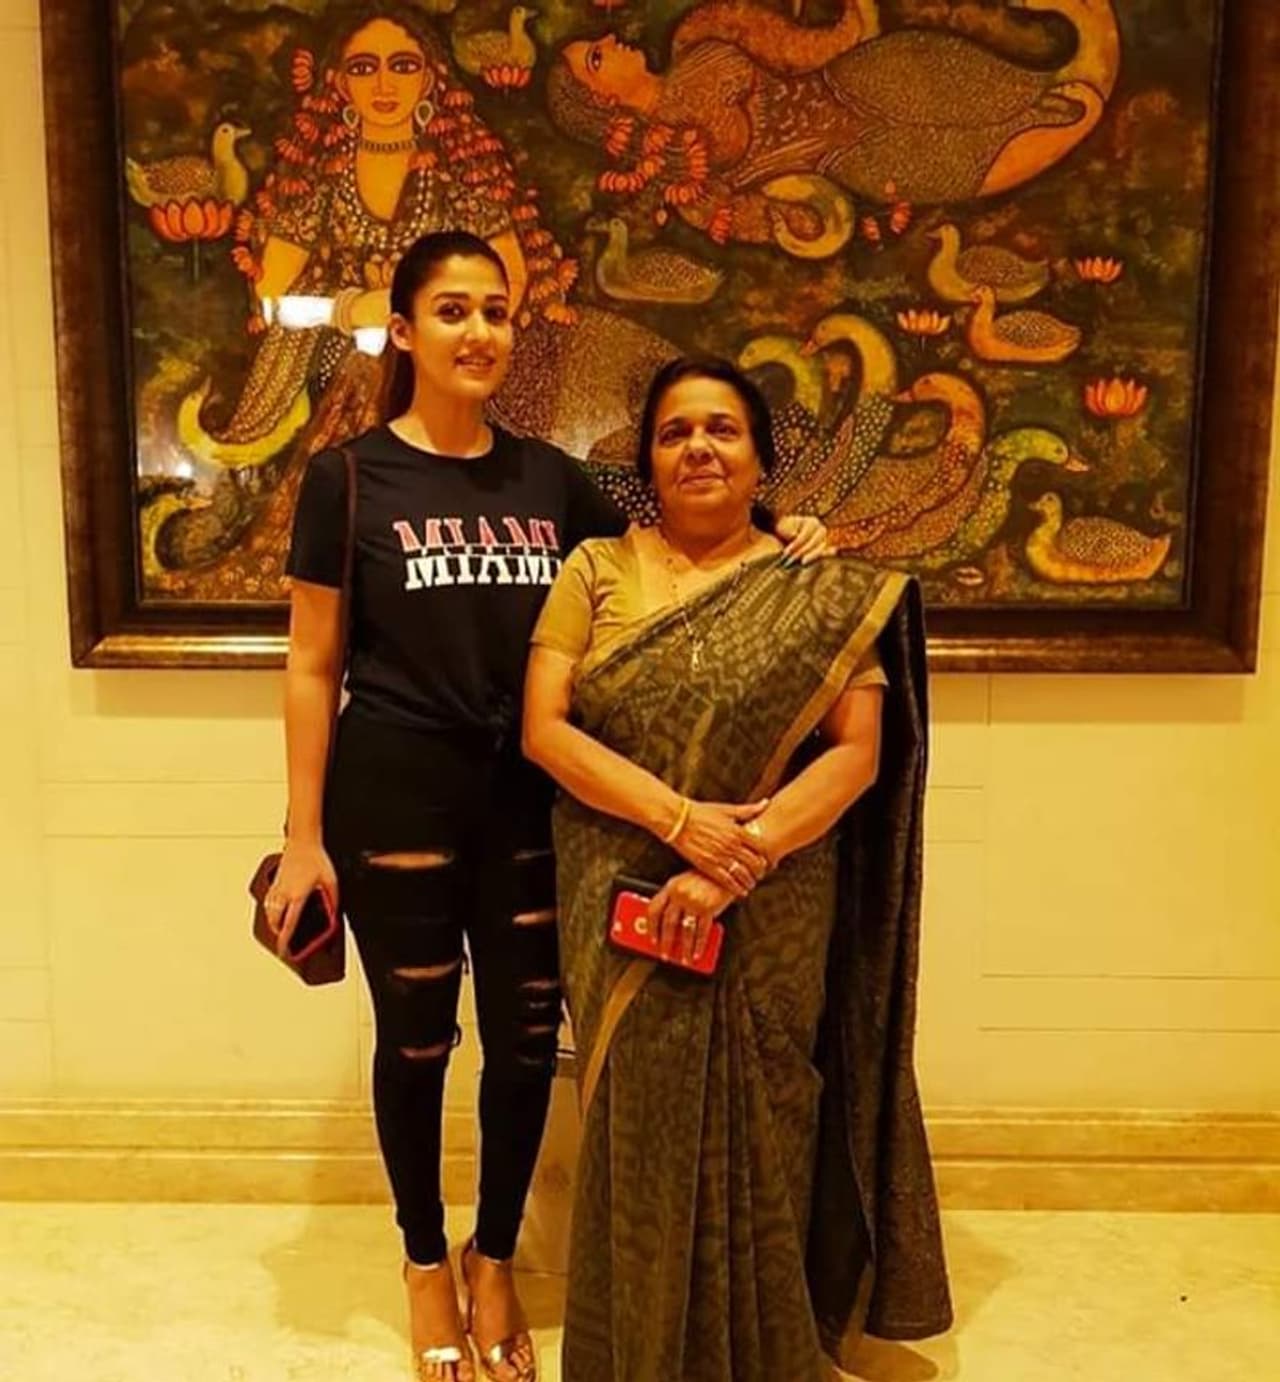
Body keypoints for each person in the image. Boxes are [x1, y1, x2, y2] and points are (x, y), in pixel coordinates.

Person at [262, 237, 828, 1382]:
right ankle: (423, 1260)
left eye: (495, 310)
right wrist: (302, 836)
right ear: (403, 330)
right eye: (451, 309)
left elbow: (673, 538)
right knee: (415, 1041)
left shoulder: (550, 479)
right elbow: (313, 663)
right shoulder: (348, 477)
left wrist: (787, 533)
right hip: (393, 794)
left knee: (524, 1047)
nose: (478, 330)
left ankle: (493, 1257)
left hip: (531, 803)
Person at [523, 357, 952, 1382]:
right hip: (621, 886)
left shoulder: (816, 586)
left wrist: (736, 859)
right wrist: (680, 822)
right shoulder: (594, 568)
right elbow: (544, 730)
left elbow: (856, 753)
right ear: (647, 462)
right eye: (674, 432)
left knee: (769, 1109)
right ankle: (636, 1354)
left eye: (721, 428)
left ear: (760, 459)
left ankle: (770, 1352)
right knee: (636, 1126)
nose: (698, 448)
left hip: (771, 901)